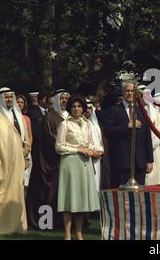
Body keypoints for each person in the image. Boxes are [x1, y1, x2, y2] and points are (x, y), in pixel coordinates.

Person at [0, 87, 30, 235]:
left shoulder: (19, 118)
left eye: (11, 97)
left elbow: (24, 140)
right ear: (1, 99)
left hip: (17, 164)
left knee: (15, 195)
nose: (9, 99)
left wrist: (26, 157)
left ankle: (15, 227)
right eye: (6, 97)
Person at [56, 95, 101, 240]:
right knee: (69, 199)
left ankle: (79, 233)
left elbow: (89, 142)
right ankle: (68, 235)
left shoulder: (87, 124)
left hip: (84, 164)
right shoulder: (65, 124)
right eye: (74, 106)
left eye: (79, 106)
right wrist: (78, 150)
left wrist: (93, 151)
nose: (76, 109)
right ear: (70, 108)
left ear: (83, 108)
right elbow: (59, 147)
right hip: (70, 164)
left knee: (81, 199)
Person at [25, 89, 70, 229]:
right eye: (62, 98)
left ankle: (61, 223)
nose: (64, 101)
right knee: (47, 193)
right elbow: (52, 139)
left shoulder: (69, 116)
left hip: (66, 161)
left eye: (66, 98)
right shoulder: (50, 117)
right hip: (50, 163)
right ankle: (46, 223)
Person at [104, 81, 153, 187]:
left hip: (140, 162)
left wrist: (149, 160)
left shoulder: (142, 111)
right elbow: (108, 131)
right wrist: (127, 126)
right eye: (127, 91)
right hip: (122, 162)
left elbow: (147, 136)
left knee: (139, 195)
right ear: (122, 92)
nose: (130, 93)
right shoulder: (114, 111)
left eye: (132, 91)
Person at [84, 98, 106, 190]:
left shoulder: (96, 123)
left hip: (98, 159)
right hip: (87, 158)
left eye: (89, 108)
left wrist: (100, 150)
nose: (87, 111)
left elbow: (100, 139)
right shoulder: (81, 124)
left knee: (97, 184)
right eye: (85, 108)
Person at [16, 94, 33, 190]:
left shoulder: (27, 118)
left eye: (21, 102)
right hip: (15, 149)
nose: (19, 104)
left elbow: (30, 135)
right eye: (18, 102)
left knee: (26, 176)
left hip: (25, 149)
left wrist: (28, 148)